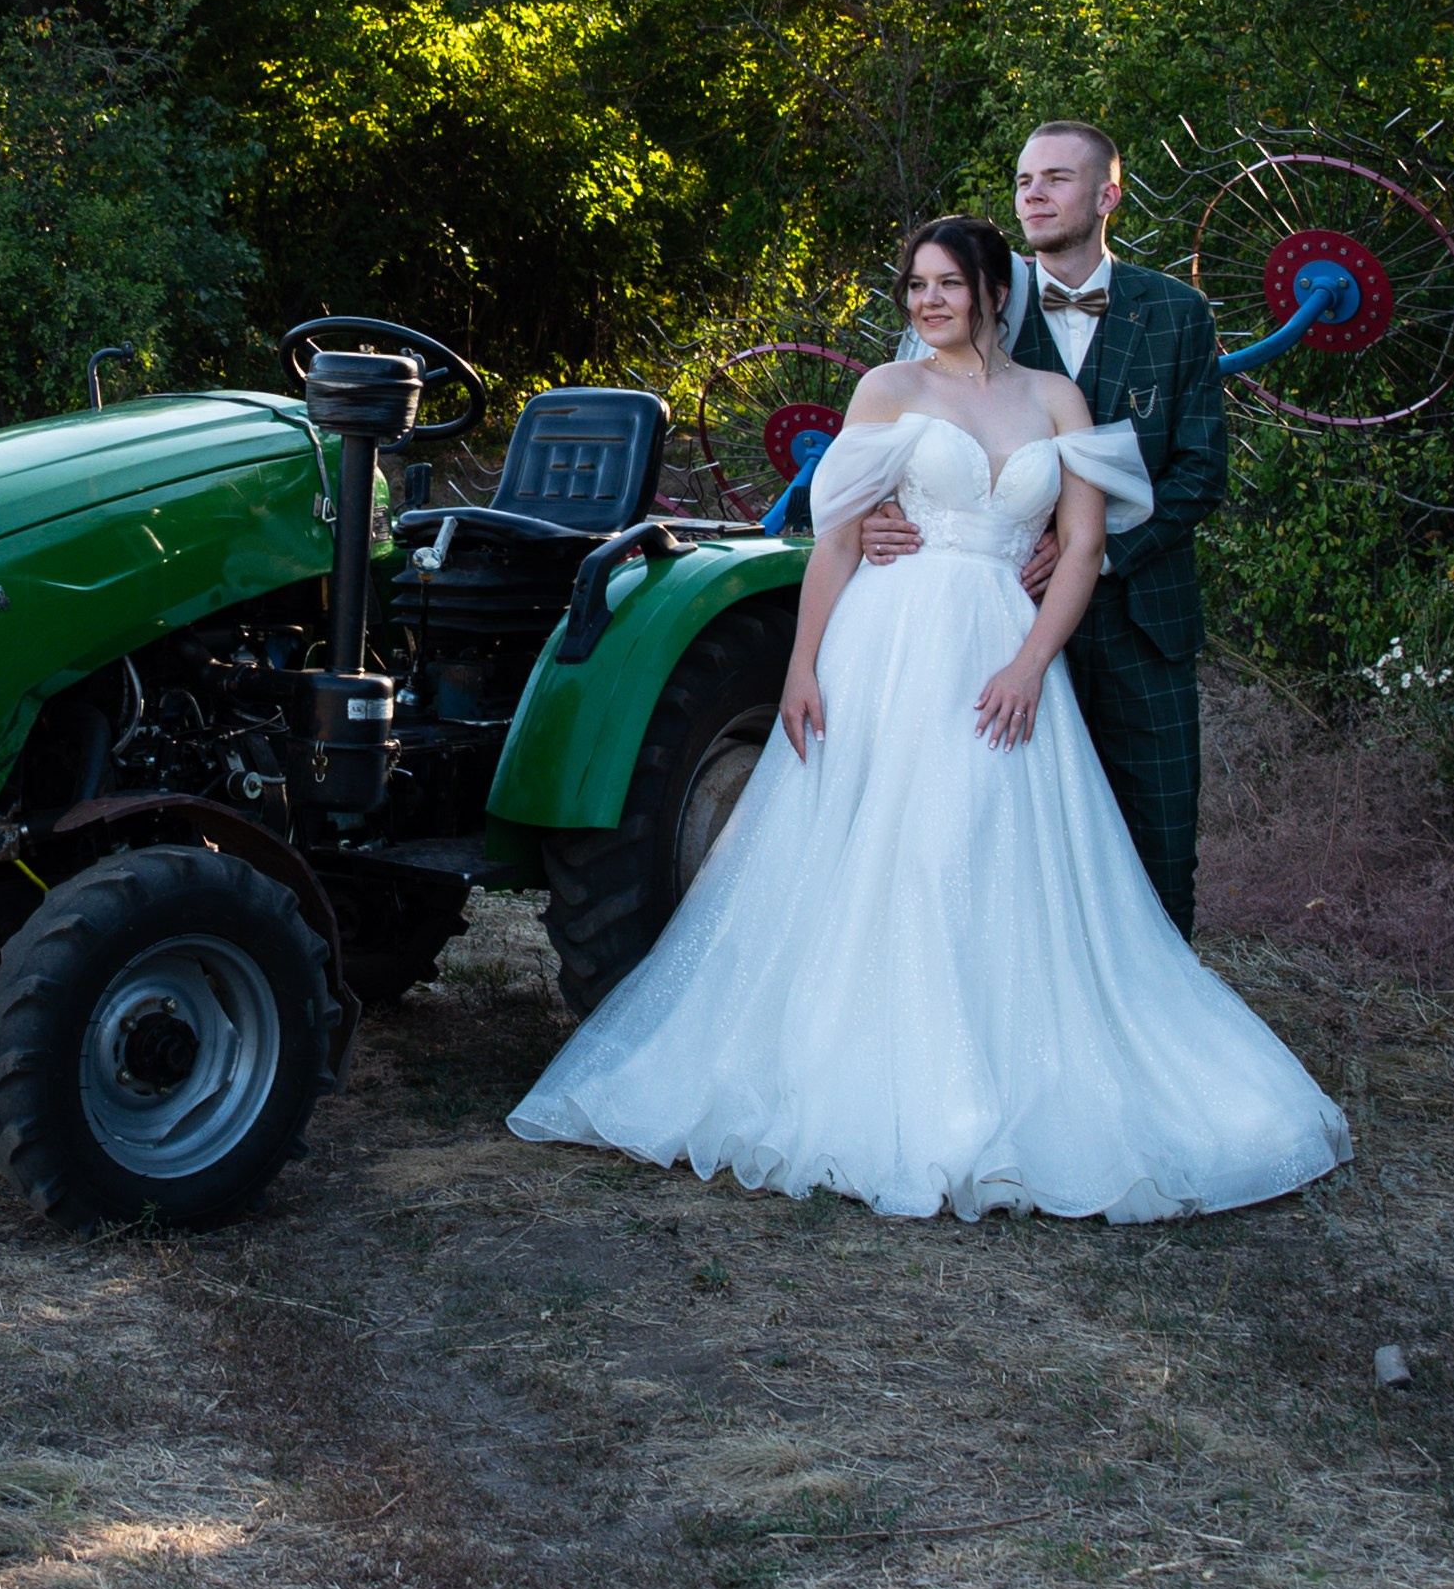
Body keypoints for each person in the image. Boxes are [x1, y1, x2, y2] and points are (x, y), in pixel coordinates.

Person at [508, 213, 1349, 1221]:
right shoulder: (886, 390)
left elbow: (1079, 548)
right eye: (915, 286)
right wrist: (802, 669)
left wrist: (1034, 663)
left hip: (1001, 646)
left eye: (947, 284)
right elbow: (834, 541)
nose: (928, 302)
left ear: (996, 292)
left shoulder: (1055, 399)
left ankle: (995, 1074)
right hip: (890, 646)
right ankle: (872, 1069)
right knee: (895, 849)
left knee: (987, 846)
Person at [865, 121, 1223, 938]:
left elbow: (1200, 470)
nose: (1034, 193)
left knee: (1159, 844)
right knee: (1000, 839)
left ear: (1108, 196)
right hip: (987, 627)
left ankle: (1153, 1023)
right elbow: (897, 433)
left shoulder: (1177, 313)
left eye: (1057, 179)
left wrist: (1092, 545)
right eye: (1025, 179)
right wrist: (883, 514)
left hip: (1141, 623)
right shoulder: (971, 293)